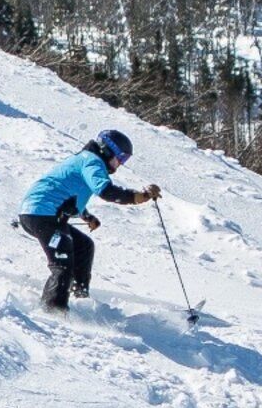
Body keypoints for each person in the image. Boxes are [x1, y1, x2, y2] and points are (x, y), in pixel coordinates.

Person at [16, 129, 160, 311]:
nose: (120, 164)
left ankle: (80, 299)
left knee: (84, 246)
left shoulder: (85, 160)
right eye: (120, 158)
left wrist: (86, 216)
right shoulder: (92, 161)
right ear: (107, 150)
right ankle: (52, 313)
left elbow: (70, 194)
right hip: (41, 215)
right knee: (63, 263)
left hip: (42, 214)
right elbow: (106, 191)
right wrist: (138, 196)